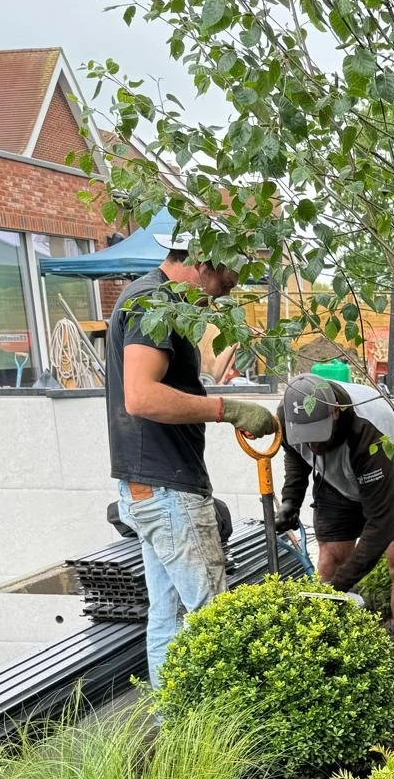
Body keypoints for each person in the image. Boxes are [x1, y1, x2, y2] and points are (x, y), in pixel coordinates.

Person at [105, 227, 278, 685]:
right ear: (203, 262)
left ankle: (176, 731)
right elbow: (140, 397)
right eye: (226, 279)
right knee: (212, 622)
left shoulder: (153, 300)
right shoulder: (151, 305)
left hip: (150, 488)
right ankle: (222, 737)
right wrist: (227, 408)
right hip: (168, 492)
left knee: (171, 618)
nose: (229, 290)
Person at [276, 373, 394, 647]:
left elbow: (381, 526)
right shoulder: (289, 415)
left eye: (318, 436)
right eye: (307, 438)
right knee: (330, 558)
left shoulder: (368, 432)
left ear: (334, 412)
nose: (314, 446)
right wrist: (290, 501)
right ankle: (322, 646)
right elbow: (295, 454)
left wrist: (338, 588)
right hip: (336, 479)